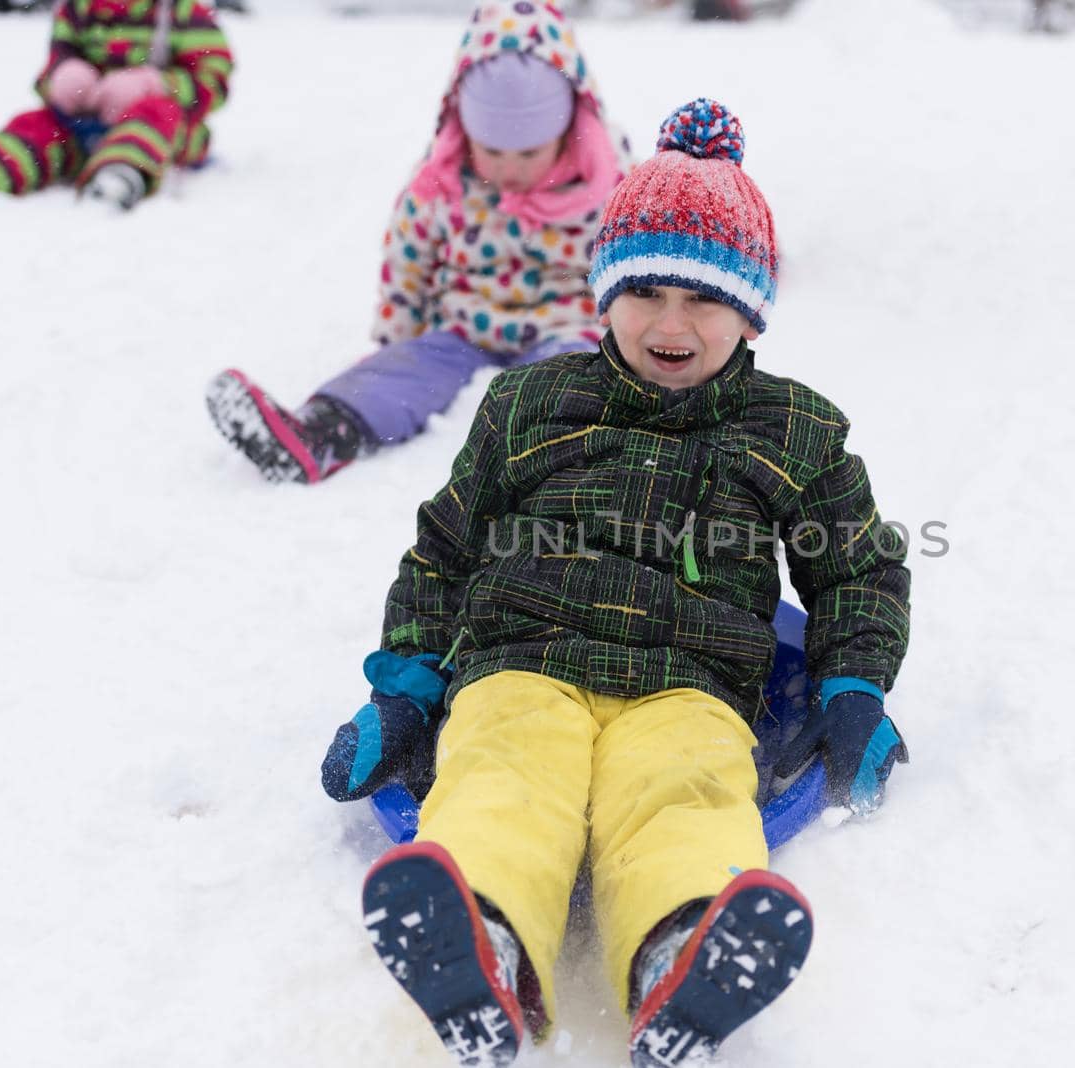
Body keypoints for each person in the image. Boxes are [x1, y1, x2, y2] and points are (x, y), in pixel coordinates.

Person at [322, 99, 911, 1067]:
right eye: (644, 291)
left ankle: (683, 950)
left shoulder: (792, 431)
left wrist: (852, 686)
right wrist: (407, 686)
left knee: (683, 792)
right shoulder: (531, 402)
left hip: (690, 681)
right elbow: (446, 548)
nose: (670, 324)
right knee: (503, 772)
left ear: (751, 307)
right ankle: (484, 940)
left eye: (705, 298)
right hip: (522, 661)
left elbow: (856, 566)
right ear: (603, 292)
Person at [204, 1, 631, 485]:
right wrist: (397, 342)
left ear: (567, 128)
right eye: (492, 150)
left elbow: (633, 270)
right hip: (465, 329)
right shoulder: (444, 181)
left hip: (566, 328)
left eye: (530, 152)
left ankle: (572, 468)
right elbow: (408, 263)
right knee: (405, 370)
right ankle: (321, 432)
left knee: (567, 386)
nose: (509, 169)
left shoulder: (604, 183)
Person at [0, 0, 232, 211]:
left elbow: (213, 81)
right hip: (85, 127)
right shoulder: (77, 10)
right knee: (36, 126)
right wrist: (63, 79)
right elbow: (50, 70)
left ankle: (120, 175)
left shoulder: (182, 12)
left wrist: (155, 85)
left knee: (156, 114)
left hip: (169, 135)